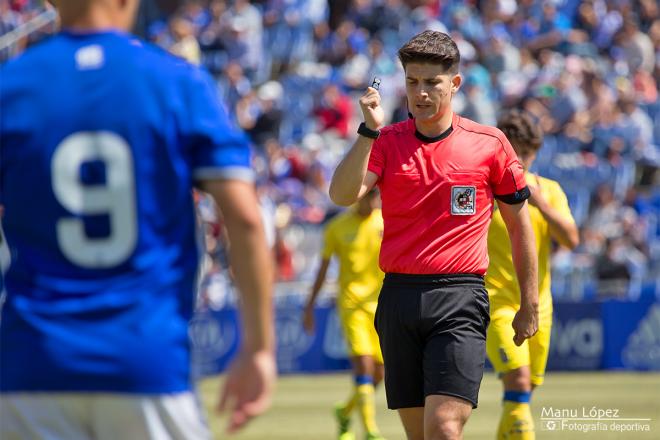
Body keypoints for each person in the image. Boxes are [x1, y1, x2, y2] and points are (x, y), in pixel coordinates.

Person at [0, 1, 275, 438]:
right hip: (145, 360)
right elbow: (244, 218)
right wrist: (259, 348)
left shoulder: (10, 86)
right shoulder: (176, 81)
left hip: (32, 363)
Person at [329, 30, 539, 440]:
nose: (420, 93)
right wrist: (368, 131)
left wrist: (528, 301)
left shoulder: (490, 144)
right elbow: (341, 195)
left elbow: (520, 225)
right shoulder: (386, 142)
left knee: (443, 428)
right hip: (398, 300)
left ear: (455, 83)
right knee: (419, 435)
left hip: (460, 297)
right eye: (412, 82)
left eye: (431, 82)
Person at [485, 110, 579, 440]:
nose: (520, 160)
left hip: (540, 305)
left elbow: (571, 239)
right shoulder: (486, 192)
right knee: (519, 382)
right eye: (515, 152)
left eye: (527, 153)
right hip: (496, 305)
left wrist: (538, 202)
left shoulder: (549, 190)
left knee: (522, 393)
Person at [303, 189, 386, 440]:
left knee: (380, 373)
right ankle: (371, 432)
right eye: (369, 196)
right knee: (363, 364)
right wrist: (309, 307)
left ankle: (345, 412)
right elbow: (322, 269)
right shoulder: (337, 227)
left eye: (375, 196)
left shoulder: (387, 221)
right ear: (357, 197)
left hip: (382, 305)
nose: (372, 201)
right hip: (352, 305)